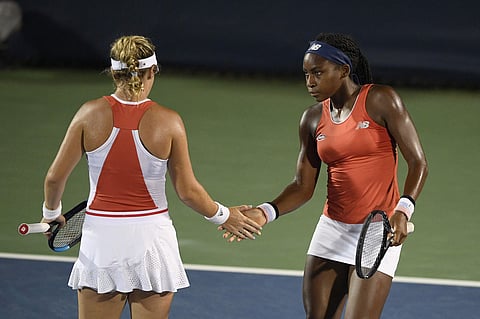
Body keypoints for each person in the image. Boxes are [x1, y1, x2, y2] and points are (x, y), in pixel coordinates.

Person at [41, 35, 262, 319]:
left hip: (103, 242)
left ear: (113, 72)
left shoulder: (88, 114)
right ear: (152, 70)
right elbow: (188, 192)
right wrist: (224, 215)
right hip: (152, 243)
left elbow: (53, 178)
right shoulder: (169, 121)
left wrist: (52, 213)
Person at [228, 33, 428, 318]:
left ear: (344, 71)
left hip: (378, 230)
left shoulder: (381, 100)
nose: (310, 81)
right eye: (306, 74)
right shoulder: (311, 118)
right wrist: (264, 212)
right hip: (332, 229)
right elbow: (302, 186)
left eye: (318, 73)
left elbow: (418, 163)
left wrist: (403, 210)